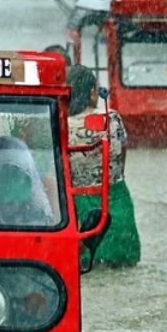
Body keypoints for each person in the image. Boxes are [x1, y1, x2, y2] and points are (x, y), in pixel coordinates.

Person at [66, 65, 141, 267]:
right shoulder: (112, 119)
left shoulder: (60, 125)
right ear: (92, 91)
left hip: (81, 213)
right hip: (117, 205)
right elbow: (120, 162)